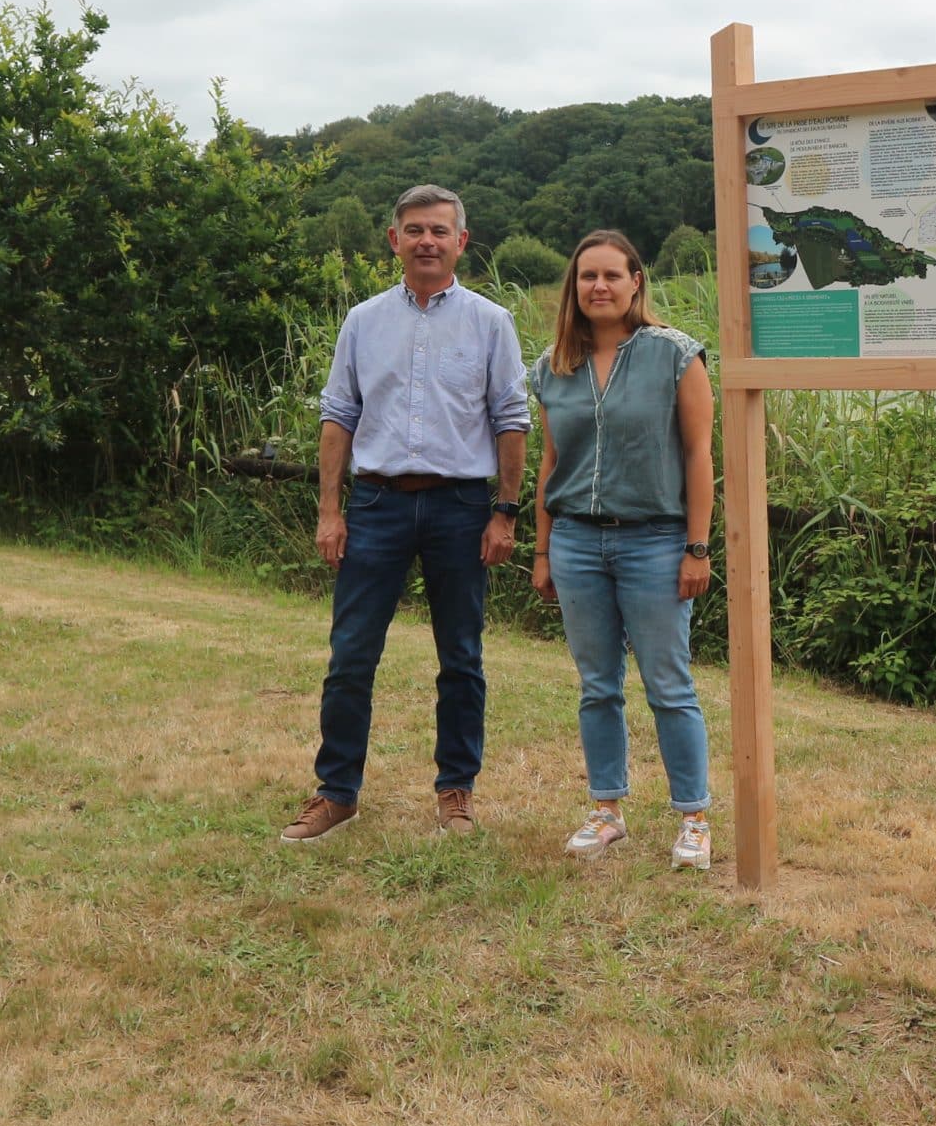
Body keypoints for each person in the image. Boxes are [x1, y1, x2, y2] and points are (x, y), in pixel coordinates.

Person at [281, 185, 530, 843]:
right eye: (414, 230)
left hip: (458, 507)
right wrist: (330, 510)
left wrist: (505, 513)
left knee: (462, 657)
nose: (426, 241)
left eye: (439, 231)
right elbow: (339, 416)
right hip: (378, 504)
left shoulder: (490, 322)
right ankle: (337, 791)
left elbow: (512, 421)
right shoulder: (363, 321)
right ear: (394, 240)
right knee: (352, 654)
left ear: (460, 242)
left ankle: (456, 789)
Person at [529, 230, 717, 870]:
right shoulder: (553, 364)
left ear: (637, 280)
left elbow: (699, 455)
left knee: (669, 683)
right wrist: (545, 551)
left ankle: (693, 818)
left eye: (612, 275)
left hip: (656, 542)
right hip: (578, 540)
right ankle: (607, 811)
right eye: (588, 277)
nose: (599, 287)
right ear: (574, 288)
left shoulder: (674, 355)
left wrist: (698, 546)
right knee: (596, 685)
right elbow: (551, 463)